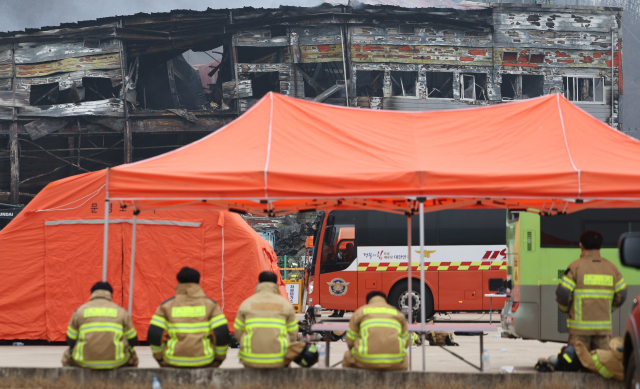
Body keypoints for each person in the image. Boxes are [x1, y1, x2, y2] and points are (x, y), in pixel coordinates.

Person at [556, 230, 627, 351]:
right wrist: (608, 309)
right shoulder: (612, 268)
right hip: (603, 330)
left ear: (581, 246)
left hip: (579, 330)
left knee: (578, 363)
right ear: (601, 246)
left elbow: (563, 294)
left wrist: (568, 311)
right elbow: (622, 294)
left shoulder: (575, 267)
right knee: (602, 363)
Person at [147, 267, 231, 367]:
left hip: (173, 360)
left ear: (178, 282)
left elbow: (154, 334)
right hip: (204, 359)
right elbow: (222, 333)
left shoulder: (166, 306)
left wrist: (159, 358)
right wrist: (219, 358)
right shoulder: (211, 305)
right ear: (198, 282)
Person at [234, 271, 314, 368]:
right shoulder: (285, 305)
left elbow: (238, 332)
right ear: (276, 285)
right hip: (279, 359)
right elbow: (293, 334)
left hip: (250, 359)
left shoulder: (246, 304)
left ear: (257, 284)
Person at [62, 281, 138, 369]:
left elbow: (70, 340)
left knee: (67, 355)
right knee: (132, 356)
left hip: (84, 361)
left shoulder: (79, 311)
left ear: (92, 294)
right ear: (111, 295)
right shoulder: (121, 312)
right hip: (116, 362)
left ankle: (73, 381)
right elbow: (132, 340)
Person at [343, 291, 410, 370]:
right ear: (385, 301)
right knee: (405, 358)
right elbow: (406, 341)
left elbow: (350, 341)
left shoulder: (359, 313)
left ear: (368, 301)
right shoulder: (398, 314)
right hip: (395, 360)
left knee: (347, 357)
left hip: (365, 360)